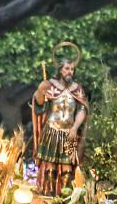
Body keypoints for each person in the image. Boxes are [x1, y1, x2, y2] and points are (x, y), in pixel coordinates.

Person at [32, 58, 88, 196]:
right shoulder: (51, 86)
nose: (70, 72)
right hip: (51, 130)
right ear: (60, 70)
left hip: (69, 132)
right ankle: (48, 194)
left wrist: (75, 128)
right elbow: (40, 106)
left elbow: (82, 110)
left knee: (68, 169)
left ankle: (64, 196)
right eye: (67, 69)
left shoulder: (77, 89)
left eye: (72, 69)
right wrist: (40, 90)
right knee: (50, 168)